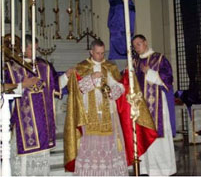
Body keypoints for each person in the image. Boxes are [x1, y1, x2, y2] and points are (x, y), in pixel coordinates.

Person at [5, 34, 73, 176]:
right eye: (32, 49)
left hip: (42, 126)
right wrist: (22, 85)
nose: (35, 53)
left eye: (36, 48)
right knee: (23, 165)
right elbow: (4, 90)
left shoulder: (44, 66)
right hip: (23, 126)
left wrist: (66, 75)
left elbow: (55, 87)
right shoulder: (12, 68)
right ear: (23, 48)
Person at [64, 39, 128, 176]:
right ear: (91, 52)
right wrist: (91, 78)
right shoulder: (82, 67)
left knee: (109, 144)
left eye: (102, 53)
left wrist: (113, 91)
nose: (100, 56)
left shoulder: (109, 66)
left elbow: (121, 86)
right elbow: (76, 89)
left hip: (108, 112)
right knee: (91, 145)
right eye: (97, 53)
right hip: (89, 113)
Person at [132, 34, 177, 176]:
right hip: (142, 107)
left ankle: (163, 169)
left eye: (139, 44)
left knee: (158, 137)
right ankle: (146, 168)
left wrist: (150, 72)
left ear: (145, 43)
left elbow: (169, 79)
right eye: (134, 46)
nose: (137, 48)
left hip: (158, 107)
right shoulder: (135, 62)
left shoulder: (159, 58)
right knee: (144, 135)